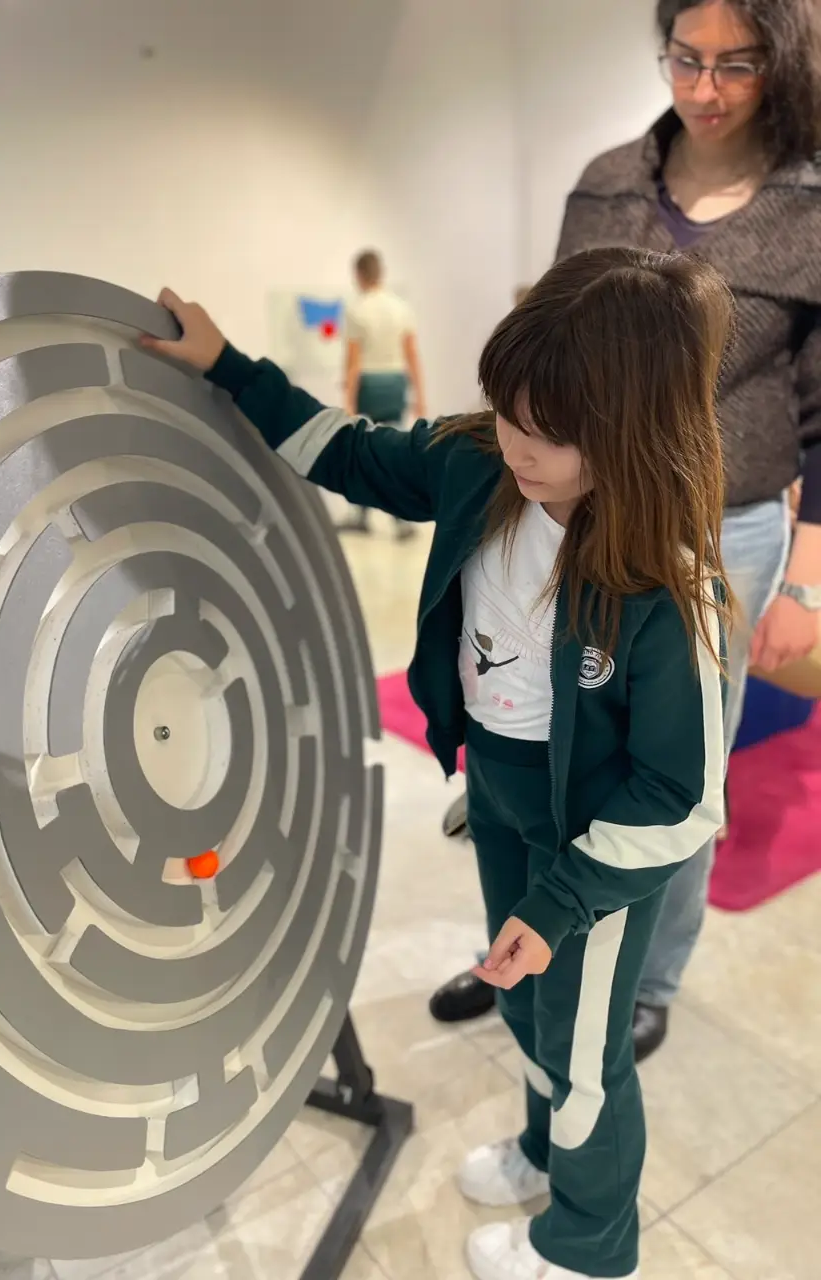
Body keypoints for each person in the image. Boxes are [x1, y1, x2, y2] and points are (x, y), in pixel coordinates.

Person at [140, 246, 732, 1280]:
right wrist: (230, 365)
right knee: (523, 1005)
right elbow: (351, 451)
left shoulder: (663, 584)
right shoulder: (478, 463)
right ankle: (545, 1152)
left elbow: (680, 799)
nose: (516, 445)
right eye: (507, 413)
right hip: (499, 798)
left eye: (547, 432)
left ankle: (589, 1244)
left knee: (583, 1049)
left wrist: (563, 902)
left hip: (593, 853)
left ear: (629, 433)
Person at [429, 0, 821, 1061]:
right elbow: (556, 332)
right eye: (685, 58)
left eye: (737, 64)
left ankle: (646, 978)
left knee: (674, 770)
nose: (705, 87)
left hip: (726, 527)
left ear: (783, 61)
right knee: (539, 737)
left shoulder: (811, 202)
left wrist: (806, 578)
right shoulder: (607, 181)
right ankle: (522, 940)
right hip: (579, 513)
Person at [337, 248, 426, 537]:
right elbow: (412, 355)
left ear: (359, 275)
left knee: (363, 450)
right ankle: (401, 519)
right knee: (395, 449)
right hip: (395, 383)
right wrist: (420, 396)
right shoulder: (401, 307)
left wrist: (348, 401)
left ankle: (361, 515)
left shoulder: (356, 309)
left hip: (369, 384)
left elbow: (353, 362)